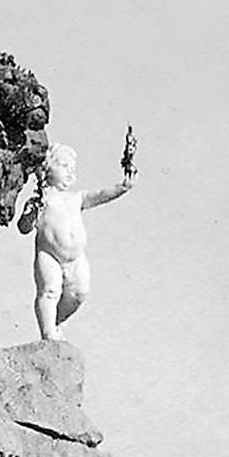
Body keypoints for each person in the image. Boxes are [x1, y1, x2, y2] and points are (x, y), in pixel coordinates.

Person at [18, 143, 133, 342]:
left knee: (80, 293)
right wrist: (31, 213)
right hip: (49, 254)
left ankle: (57, 321)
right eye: (64, 166)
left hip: (77, 258)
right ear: (46, 169)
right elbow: (24, 228)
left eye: (72, 168)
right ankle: (48, 333)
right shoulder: (40, 201)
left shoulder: (76, 198)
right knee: (49, 291)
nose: (70, 171)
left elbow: (100, 195)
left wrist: (122, 188)